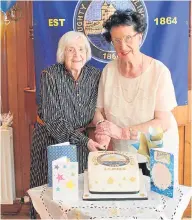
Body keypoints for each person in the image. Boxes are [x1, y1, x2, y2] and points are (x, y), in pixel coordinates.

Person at [93, 9, 179, 178]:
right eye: (116, 40)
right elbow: (98, 110)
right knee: (123, 199)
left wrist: (123, 132)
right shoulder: (108, 71)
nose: (122, 46)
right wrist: (102, 127)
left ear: (139, 37)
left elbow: (163, 121)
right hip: (122, 153)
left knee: (154, 200)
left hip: (155, 151)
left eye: (128, 38)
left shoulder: (159, 71)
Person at [30, 31, 104, 218]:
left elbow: (97, 109)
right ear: (62, 53)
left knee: (76, 196)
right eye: (71, 50)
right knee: (51, 197)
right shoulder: (50, 75)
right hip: (52, 141)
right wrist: (85, 141)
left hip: (81, 144)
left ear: (87, 52)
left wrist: (101, 129)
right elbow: (54, 121)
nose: (77, 54)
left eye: (81, 49)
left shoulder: (95, 75)